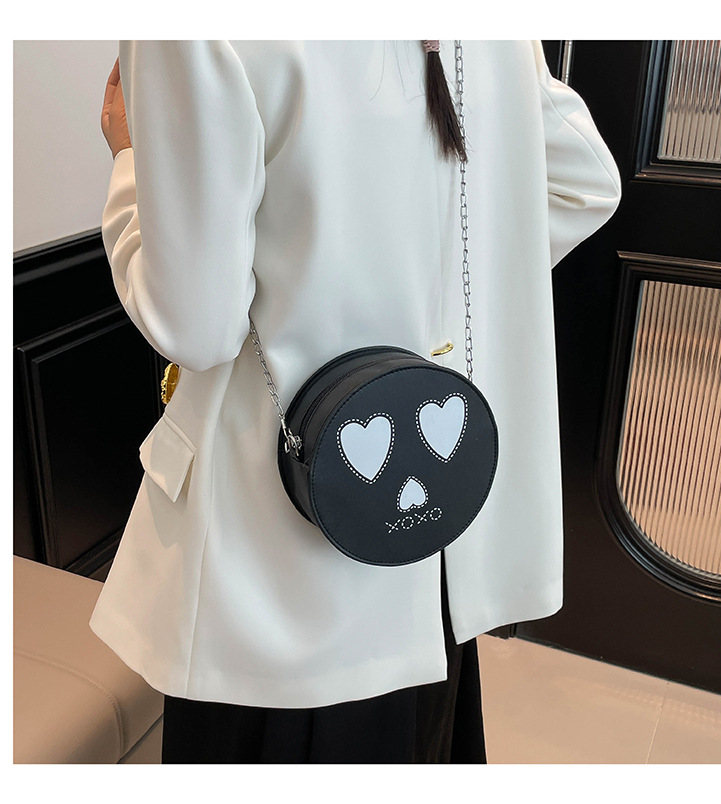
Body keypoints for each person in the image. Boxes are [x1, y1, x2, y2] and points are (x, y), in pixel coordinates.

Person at [93, 40, 621, 764]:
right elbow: (584, 181)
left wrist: (129, 163)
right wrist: (435, 299)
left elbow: (196, 327)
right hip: (428, 551)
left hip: (269, 576)